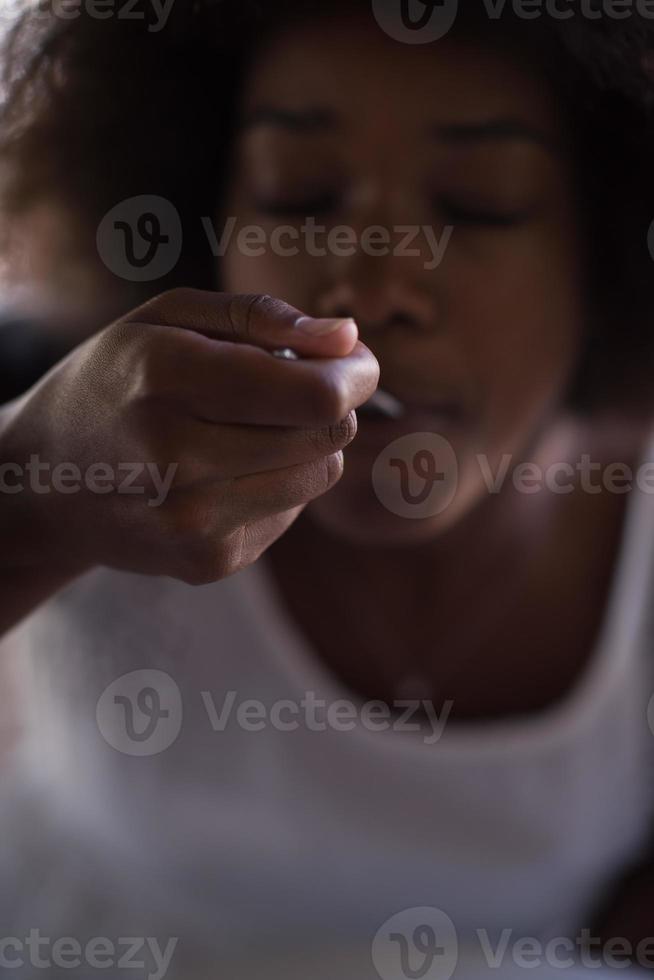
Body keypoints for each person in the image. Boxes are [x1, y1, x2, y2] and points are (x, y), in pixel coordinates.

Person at [0, 2, 654, 975]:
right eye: (299, 195)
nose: (373, 282)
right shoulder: (93, 432)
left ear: (600, 258)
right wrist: (34, 491)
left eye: (477, 205)